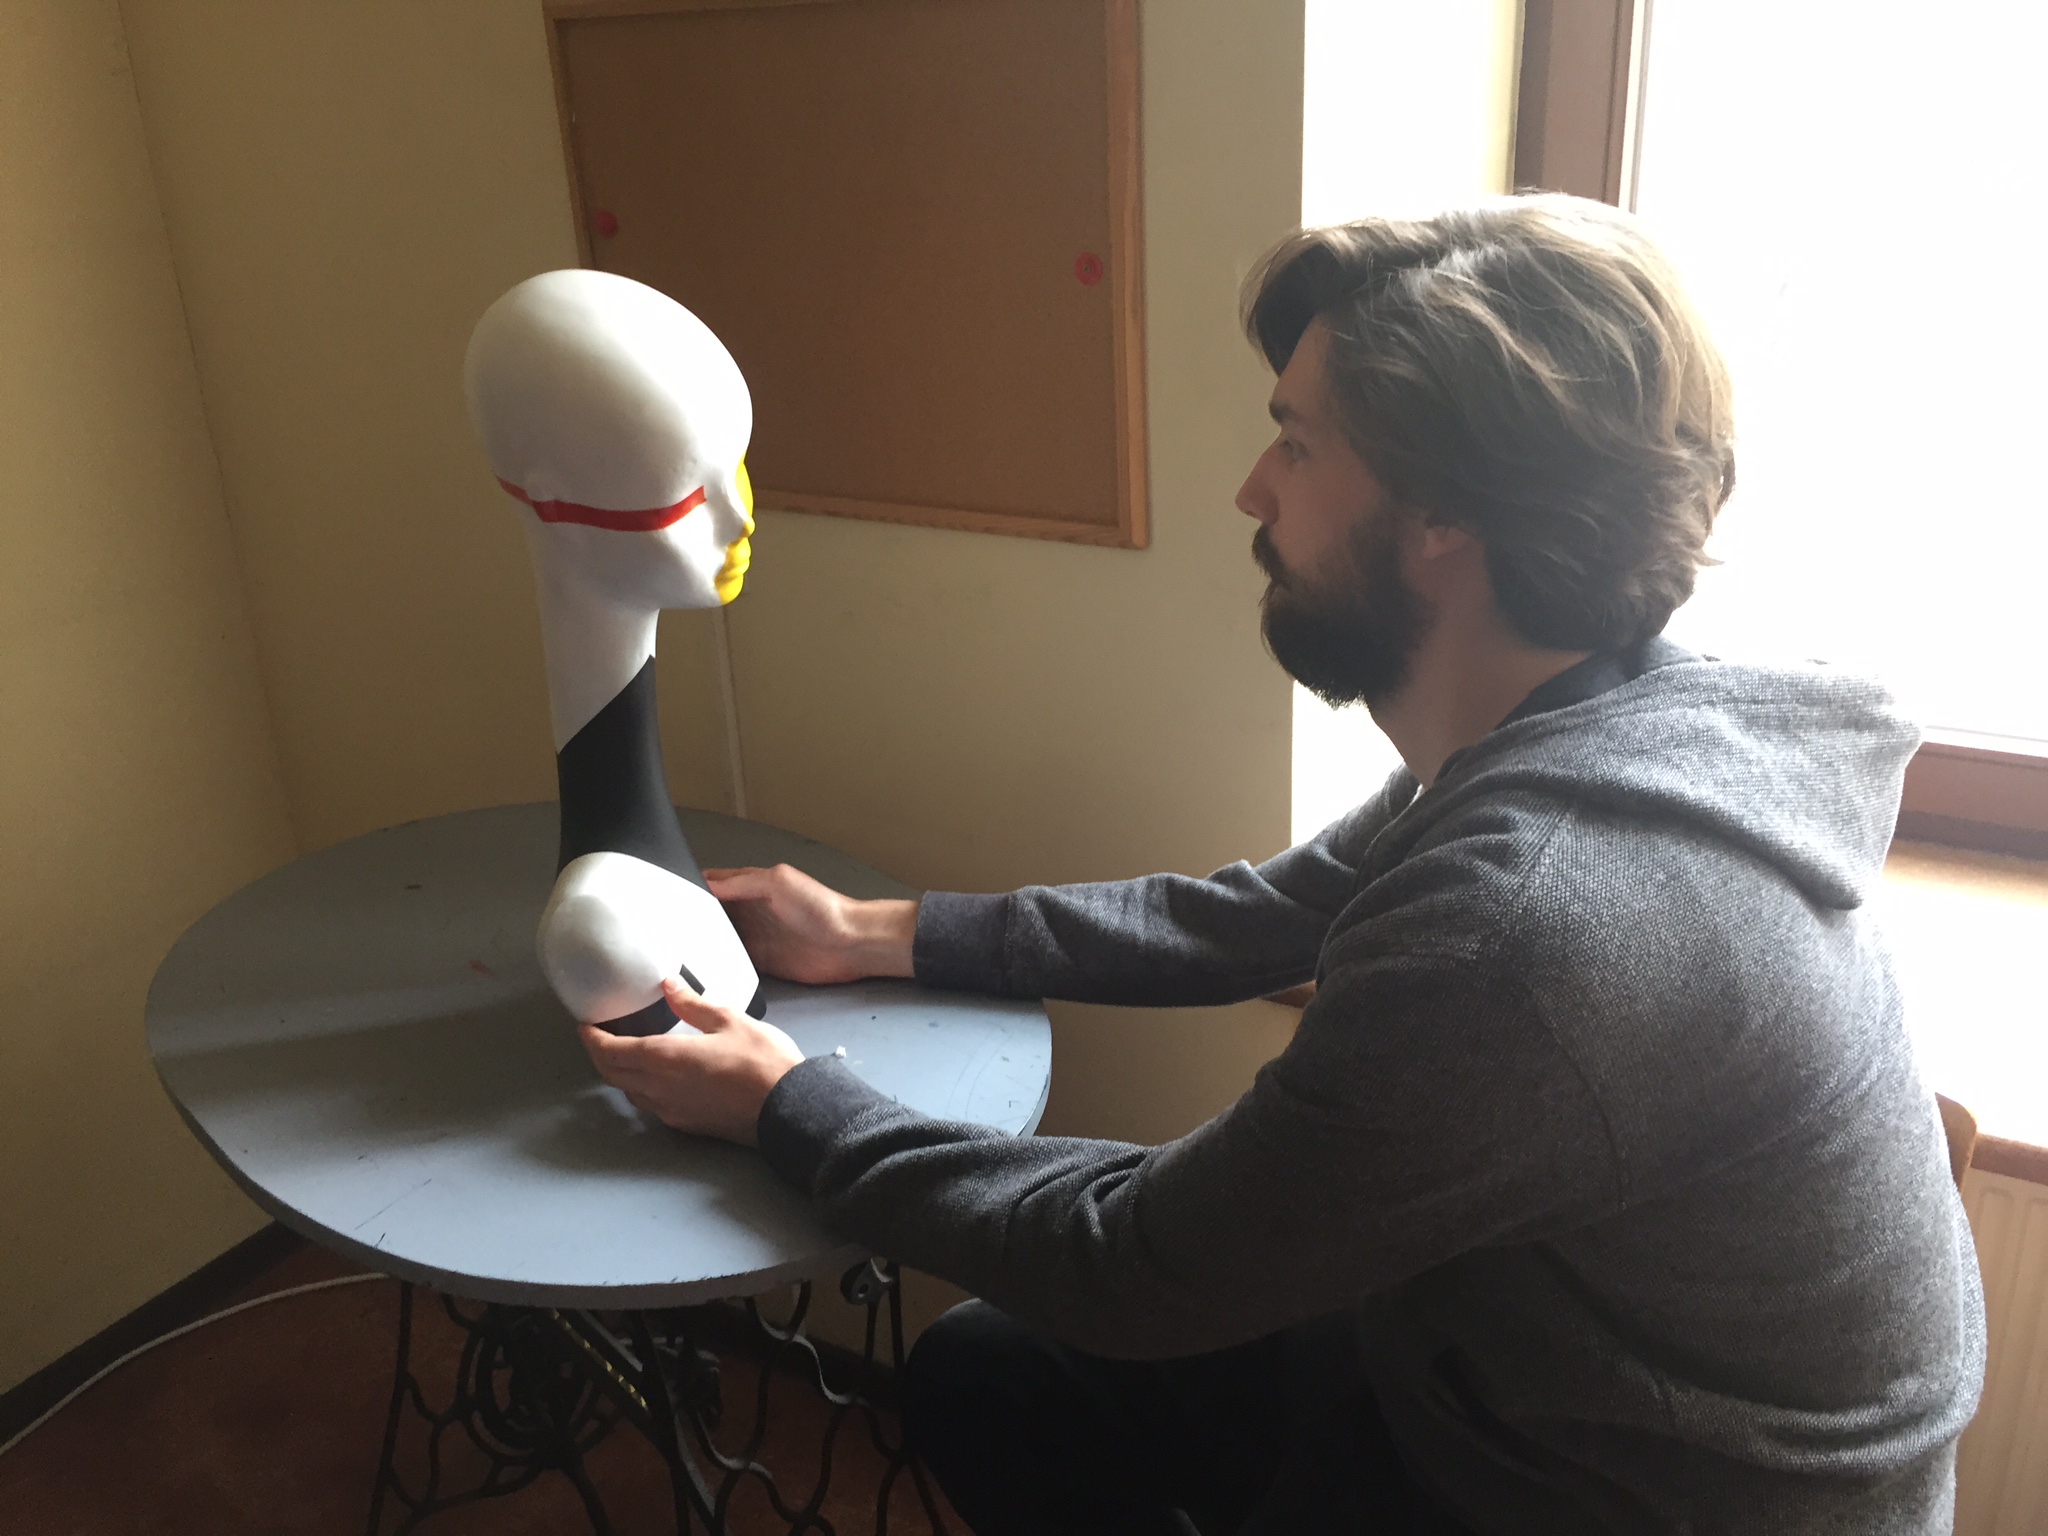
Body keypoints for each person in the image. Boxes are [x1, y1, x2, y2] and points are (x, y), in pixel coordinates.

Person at [579, 195, 1985, 1535]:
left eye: (1297, 447)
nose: (1250, 490)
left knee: (1072, 1333)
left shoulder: (1530, 922)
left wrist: (788, 1104)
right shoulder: (1587, 729)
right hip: (1511, 1373)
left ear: (1445, 514)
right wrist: (878, 932)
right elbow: (1264, 916)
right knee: (989, 1375)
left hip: (1614, 1498)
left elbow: (1133, 1265)